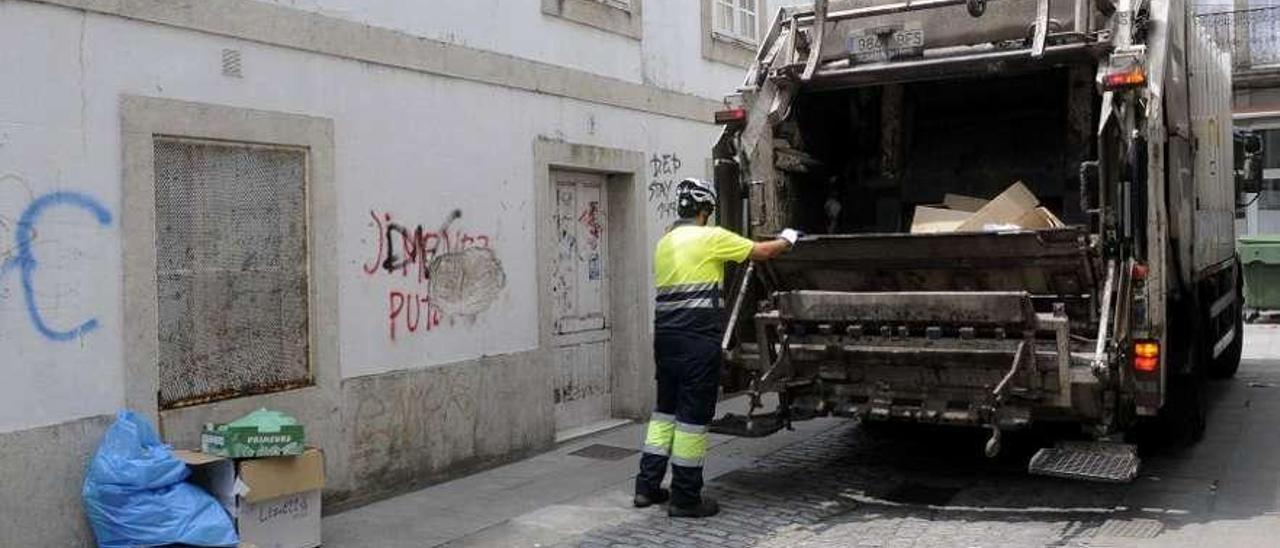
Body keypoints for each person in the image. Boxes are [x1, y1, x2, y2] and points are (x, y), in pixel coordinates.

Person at [634, 178, 799, 518]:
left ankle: (646, 487)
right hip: (697, 341)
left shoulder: (664, 243)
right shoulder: (711, 237)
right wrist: (788, 238)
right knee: (693, 420)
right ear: (705, 210)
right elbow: (762, 252)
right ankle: (685, 497)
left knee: (664, 413)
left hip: (665, 340)